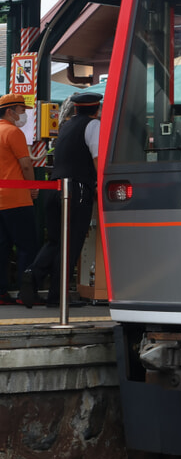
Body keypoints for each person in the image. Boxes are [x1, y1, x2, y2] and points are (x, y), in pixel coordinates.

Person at [25, 91, 100, 306]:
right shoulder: (93, 126)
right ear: (97, 109)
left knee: (56, 240)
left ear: (75, 108)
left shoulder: (65, 126)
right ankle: (57, 296)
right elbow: (97, 158)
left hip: (54, 187)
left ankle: (32, 276)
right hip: (76, 189)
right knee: (72, 243)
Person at [0, 94, 40, 307]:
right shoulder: (12, 132)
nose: (23, 114)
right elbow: (25, 165)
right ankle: (26, 293)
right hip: (16, 199)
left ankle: (1, 292)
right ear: (9, 111)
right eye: (21, 109)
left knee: (3, 247)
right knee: (27, 246)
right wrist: (33, 187)